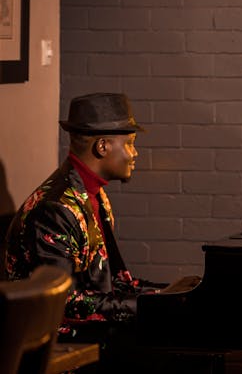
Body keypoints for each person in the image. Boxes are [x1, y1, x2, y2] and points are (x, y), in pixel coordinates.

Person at [4, 93, 163, 341]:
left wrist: (167, 295)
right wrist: (149, 306)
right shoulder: (55, 209)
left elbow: (113, 283)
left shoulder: (95, 196)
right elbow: (64, 302)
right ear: (102, 146)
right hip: (54, 345)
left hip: (91, 332)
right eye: (130, 143)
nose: (135, 153)